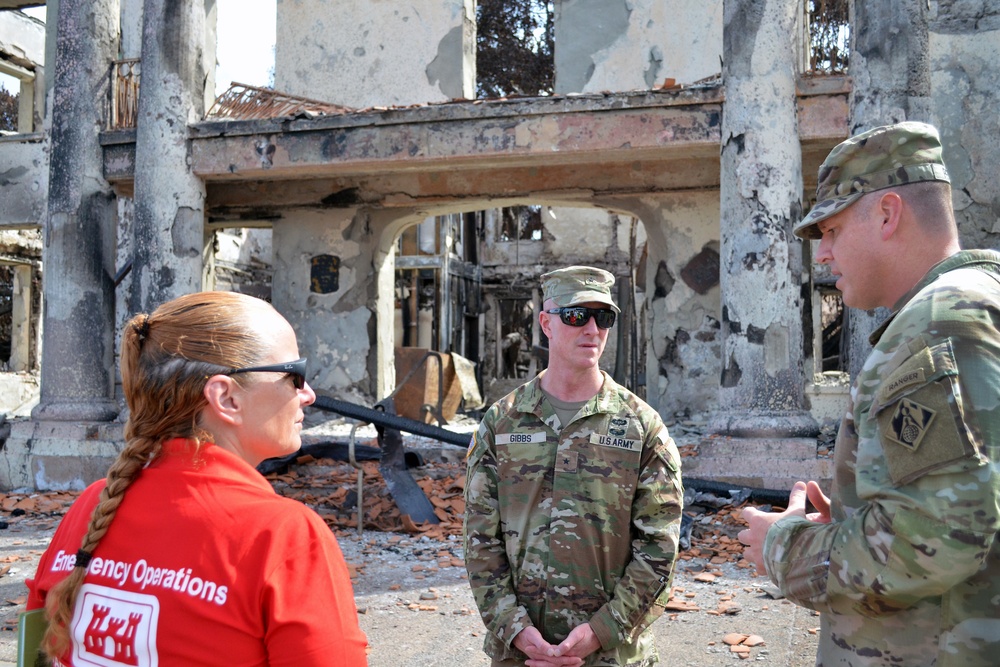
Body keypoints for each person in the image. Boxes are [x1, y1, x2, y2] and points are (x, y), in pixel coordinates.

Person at [738, 121, 1000, 666]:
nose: (823, 256)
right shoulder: (981, 302)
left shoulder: (936, 323)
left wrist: (781, 547)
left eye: (830, 231)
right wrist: (861, 513)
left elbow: (932, 541)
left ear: (887, 214)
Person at [26, 291, 369, 666]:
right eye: (294, 375)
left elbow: (35, 653)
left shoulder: (91, 506)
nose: (308, 394)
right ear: (226, 398)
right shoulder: (283, 535)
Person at [464, 266, 683, 667]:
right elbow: (481, 542)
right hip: (520, 655)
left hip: (612, 655)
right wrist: (515, 629)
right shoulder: (503, 422)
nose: (593, 329)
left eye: (604, 317)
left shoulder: (641, 427)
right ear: (546, 322)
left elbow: (659, 548)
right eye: (577, 316)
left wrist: (603, 630)